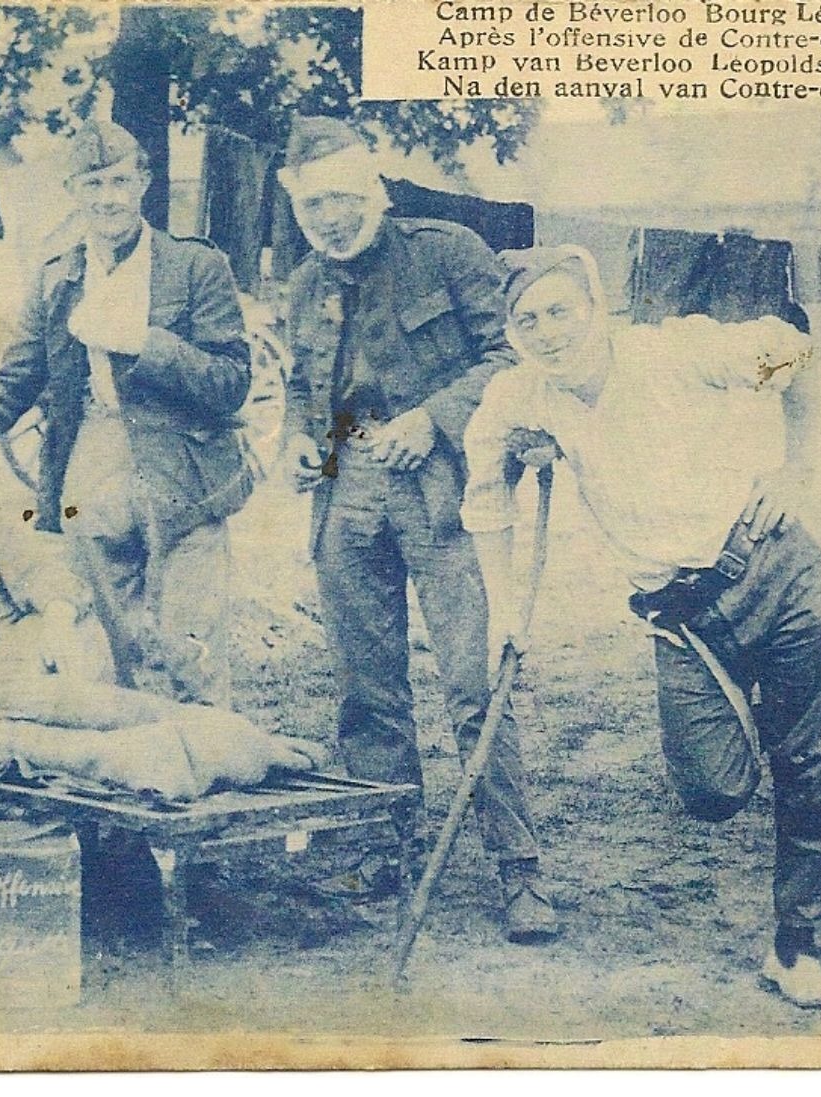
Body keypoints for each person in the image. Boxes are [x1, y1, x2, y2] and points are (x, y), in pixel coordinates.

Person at [462, 246, 821, 1008]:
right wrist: (505, 609)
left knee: (810, 766)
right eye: (525, 319)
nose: (545, 331)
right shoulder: (518, 398)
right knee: (709, 790)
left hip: (776, 567)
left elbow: (796, 353)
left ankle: (797, 947)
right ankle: (756, 730)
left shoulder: (671, 351)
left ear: (595, 308)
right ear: (508, 332)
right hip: (682, 615)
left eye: (559, 311)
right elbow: (483, 502)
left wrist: (796, 471)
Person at [277, 116, 556, 942]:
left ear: (377, 190)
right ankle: (381, 851)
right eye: (313, 204)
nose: (330, 216)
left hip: (446, 495)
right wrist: (298, 440)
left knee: (475, 685)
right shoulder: (301, 285)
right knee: (368, 690)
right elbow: (302, 388)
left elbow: (510, 358)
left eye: (342, 196)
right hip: (345, 499)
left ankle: (520, 870)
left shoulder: (446, 249)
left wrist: (434, 418)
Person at [0, 121, 254, 708]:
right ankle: (138, 774)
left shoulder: (194, 267)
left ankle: (209, 773)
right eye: (93, 185)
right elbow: (13, 386)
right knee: (111, 645)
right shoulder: (58, 278)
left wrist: (146, 343)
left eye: (118, 182)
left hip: (184, 471)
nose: (107, 198)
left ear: (142, 183)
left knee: (192, 645)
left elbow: (232, 382)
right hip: (89, 470)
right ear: (73, 190)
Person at [0, 442, 324, 806]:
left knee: (90, 707)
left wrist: (59, 622)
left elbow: (43, 569)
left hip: (20, 658)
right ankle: (134, 759)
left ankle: (248, 745)